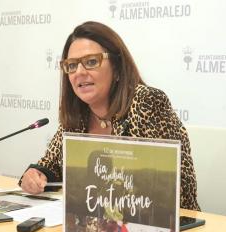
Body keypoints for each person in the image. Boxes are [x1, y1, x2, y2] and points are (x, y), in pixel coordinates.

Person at [19, 21, 200, 211]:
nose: (79, 72)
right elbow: (51, 163)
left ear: (117, 68)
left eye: (91, 62)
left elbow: (179, 189)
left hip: (165, 231)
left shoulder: (147, 102)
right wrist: (36, 175)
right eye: (71, 65)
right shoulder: (77, 115)